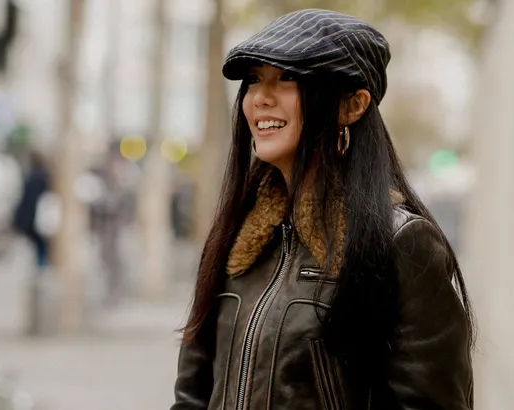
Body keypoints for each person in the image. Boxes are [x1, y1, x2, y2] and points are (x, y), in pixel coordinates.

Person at [171, 9, 474, 410]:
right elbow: (192, 396)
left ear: (352, 105)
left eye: (287, 78)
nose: (260, 98)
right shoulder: (236, 238)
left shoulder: (403, 243)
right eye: (255, 80)